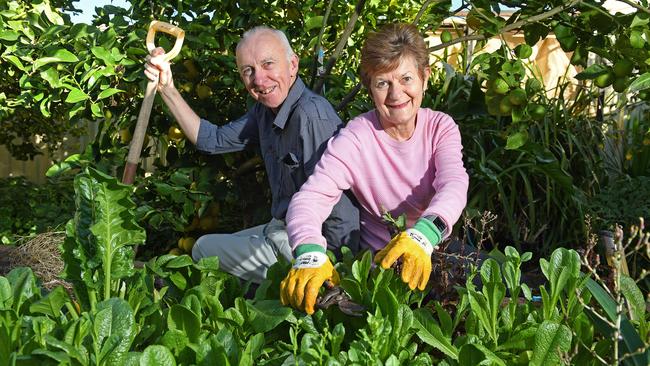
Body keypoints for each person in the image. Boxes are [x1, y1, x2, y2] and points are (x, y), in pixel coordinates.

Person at [144, 25, 359, 284]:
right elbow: (212, 140)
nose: (259, 79)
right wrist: (166, 88)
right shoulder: (264, 111)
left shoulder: (311, 117)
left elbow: (341, 211)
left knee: (203, 250)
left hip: (312, 245)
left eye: (268, 64)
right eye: (249, 71)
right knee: (216, 249)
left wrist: (332, 271)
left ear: (293, 65)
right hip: (280, 227)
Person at [280, 23, 469, 314]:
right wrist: (308, 252)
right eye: (383, 83)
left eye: (406, 78)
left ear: (425, 78)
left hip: (432, 250)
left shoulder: (440, 127)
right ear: (370, 88)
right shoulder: (357, 137)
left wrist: (423, 236)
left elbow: (454, 185)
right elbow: (311, 197)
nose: (396, 94)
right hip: (380, 266)